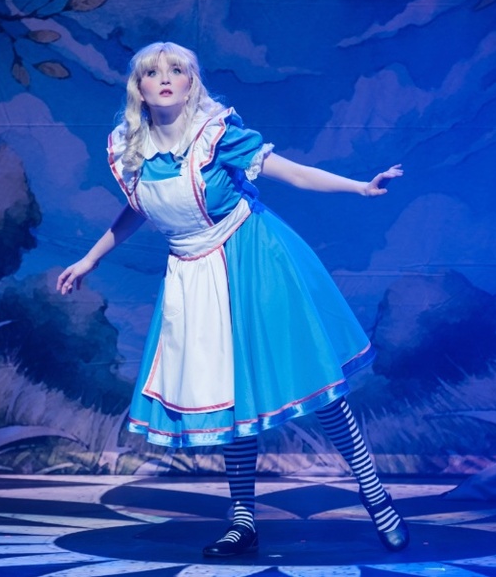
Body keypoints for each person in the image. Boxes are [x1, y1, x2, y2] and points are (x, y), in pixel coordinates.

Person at [57, 41, 408, 557]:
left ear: (191, 81)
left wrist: (359, 187)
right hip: (192, 275)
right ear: (140, 87)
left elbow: (291, 172)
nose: (166, 78)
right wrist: (91, 258)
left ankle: (376, 497)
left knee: (316, 382)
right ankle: (242, 520)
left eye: (177, 70)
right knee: (230, 397)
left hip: (253, 258)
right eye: (154, 73)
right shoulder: (129, 147)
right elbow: (136, 210)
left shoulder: (216, 135)